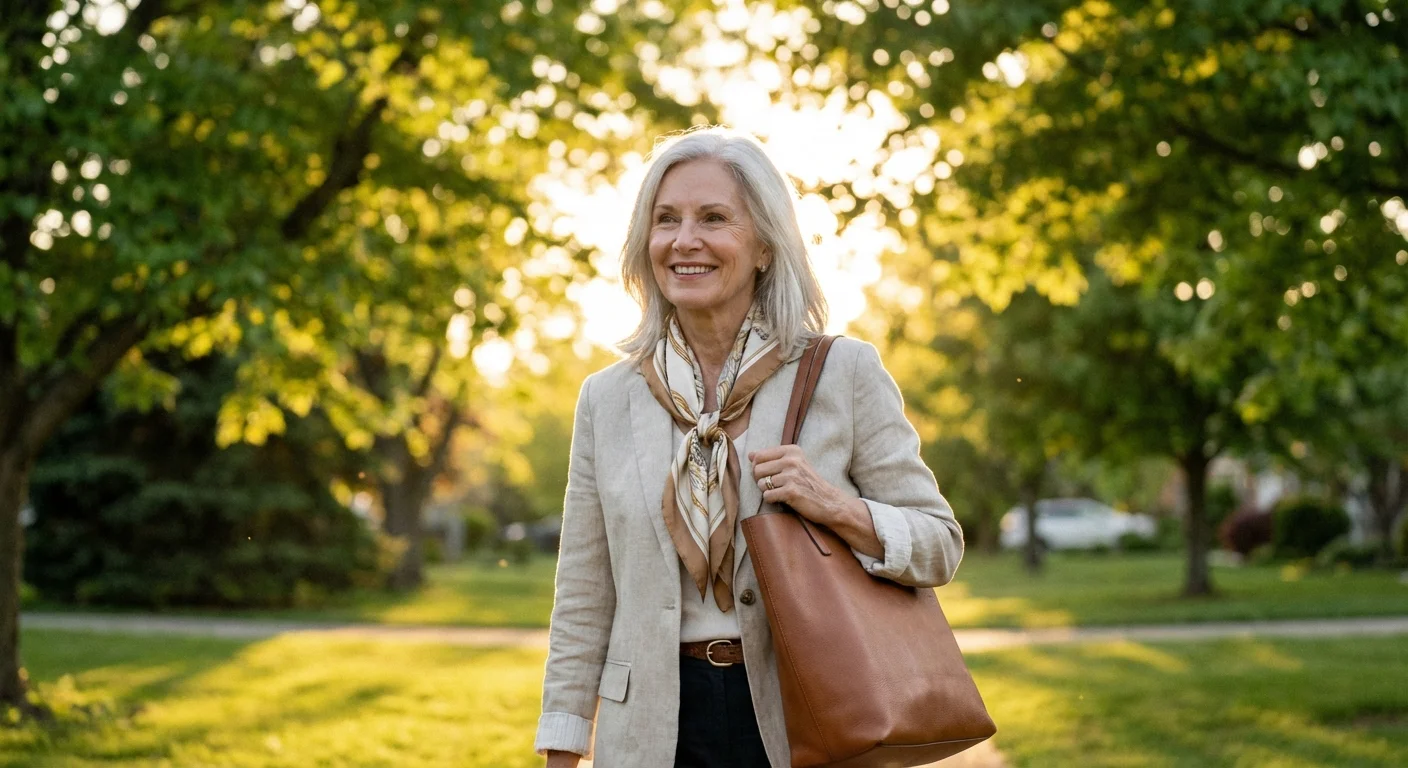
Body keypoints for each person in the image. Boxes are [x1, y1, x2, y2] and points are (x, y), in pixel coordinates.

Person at [535, 127, 964, 768]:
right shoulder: (609, 398)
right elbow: (583, 594)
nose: (685, 241)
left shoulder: (841, 373)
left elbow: (939, 544)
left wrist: (837, 507)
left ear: (764, 244)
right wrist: (564, 745)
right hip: (650, 731)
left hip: (800, 719)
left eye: (714, 218)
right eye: (666, 220)